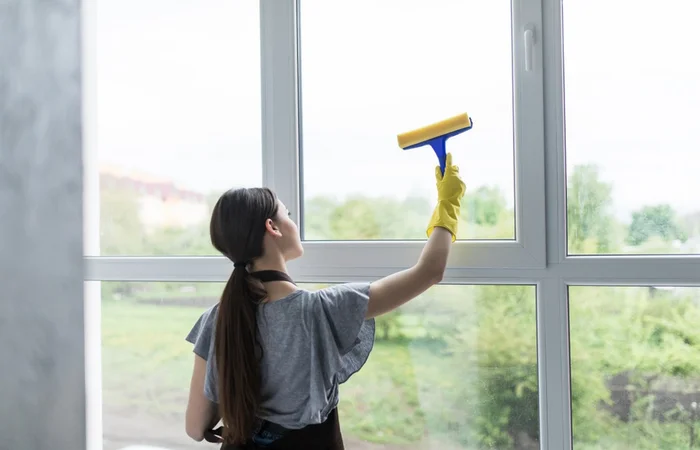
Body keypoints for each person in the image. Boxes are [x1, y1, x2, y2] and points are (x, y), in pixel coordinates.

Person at [184, 153, 466, 449]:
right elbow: (429, 271)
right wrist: (448, 205)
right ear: (273, 227)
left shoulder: (218, 319)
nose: (292, 221)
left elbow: (195, 427)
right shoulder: (321, 311)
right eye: (287, 214)